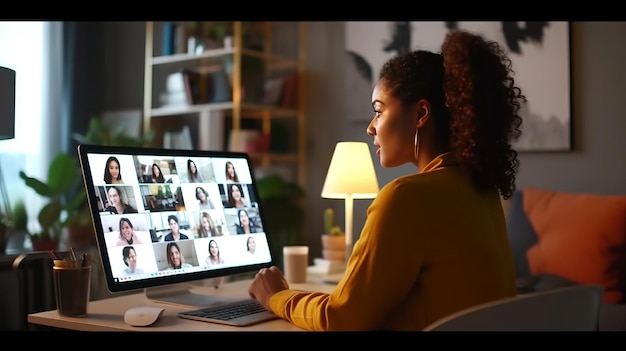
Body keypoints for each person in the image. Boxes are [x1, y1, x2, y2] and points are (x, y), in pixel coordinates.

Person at [248, 30, 524, 331]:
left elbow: (341, 319)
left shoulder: (405, 197)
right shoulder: (481, 190)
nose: (370, 128)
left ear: (420, 113)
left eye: (378, 112)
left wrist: (277, 296)